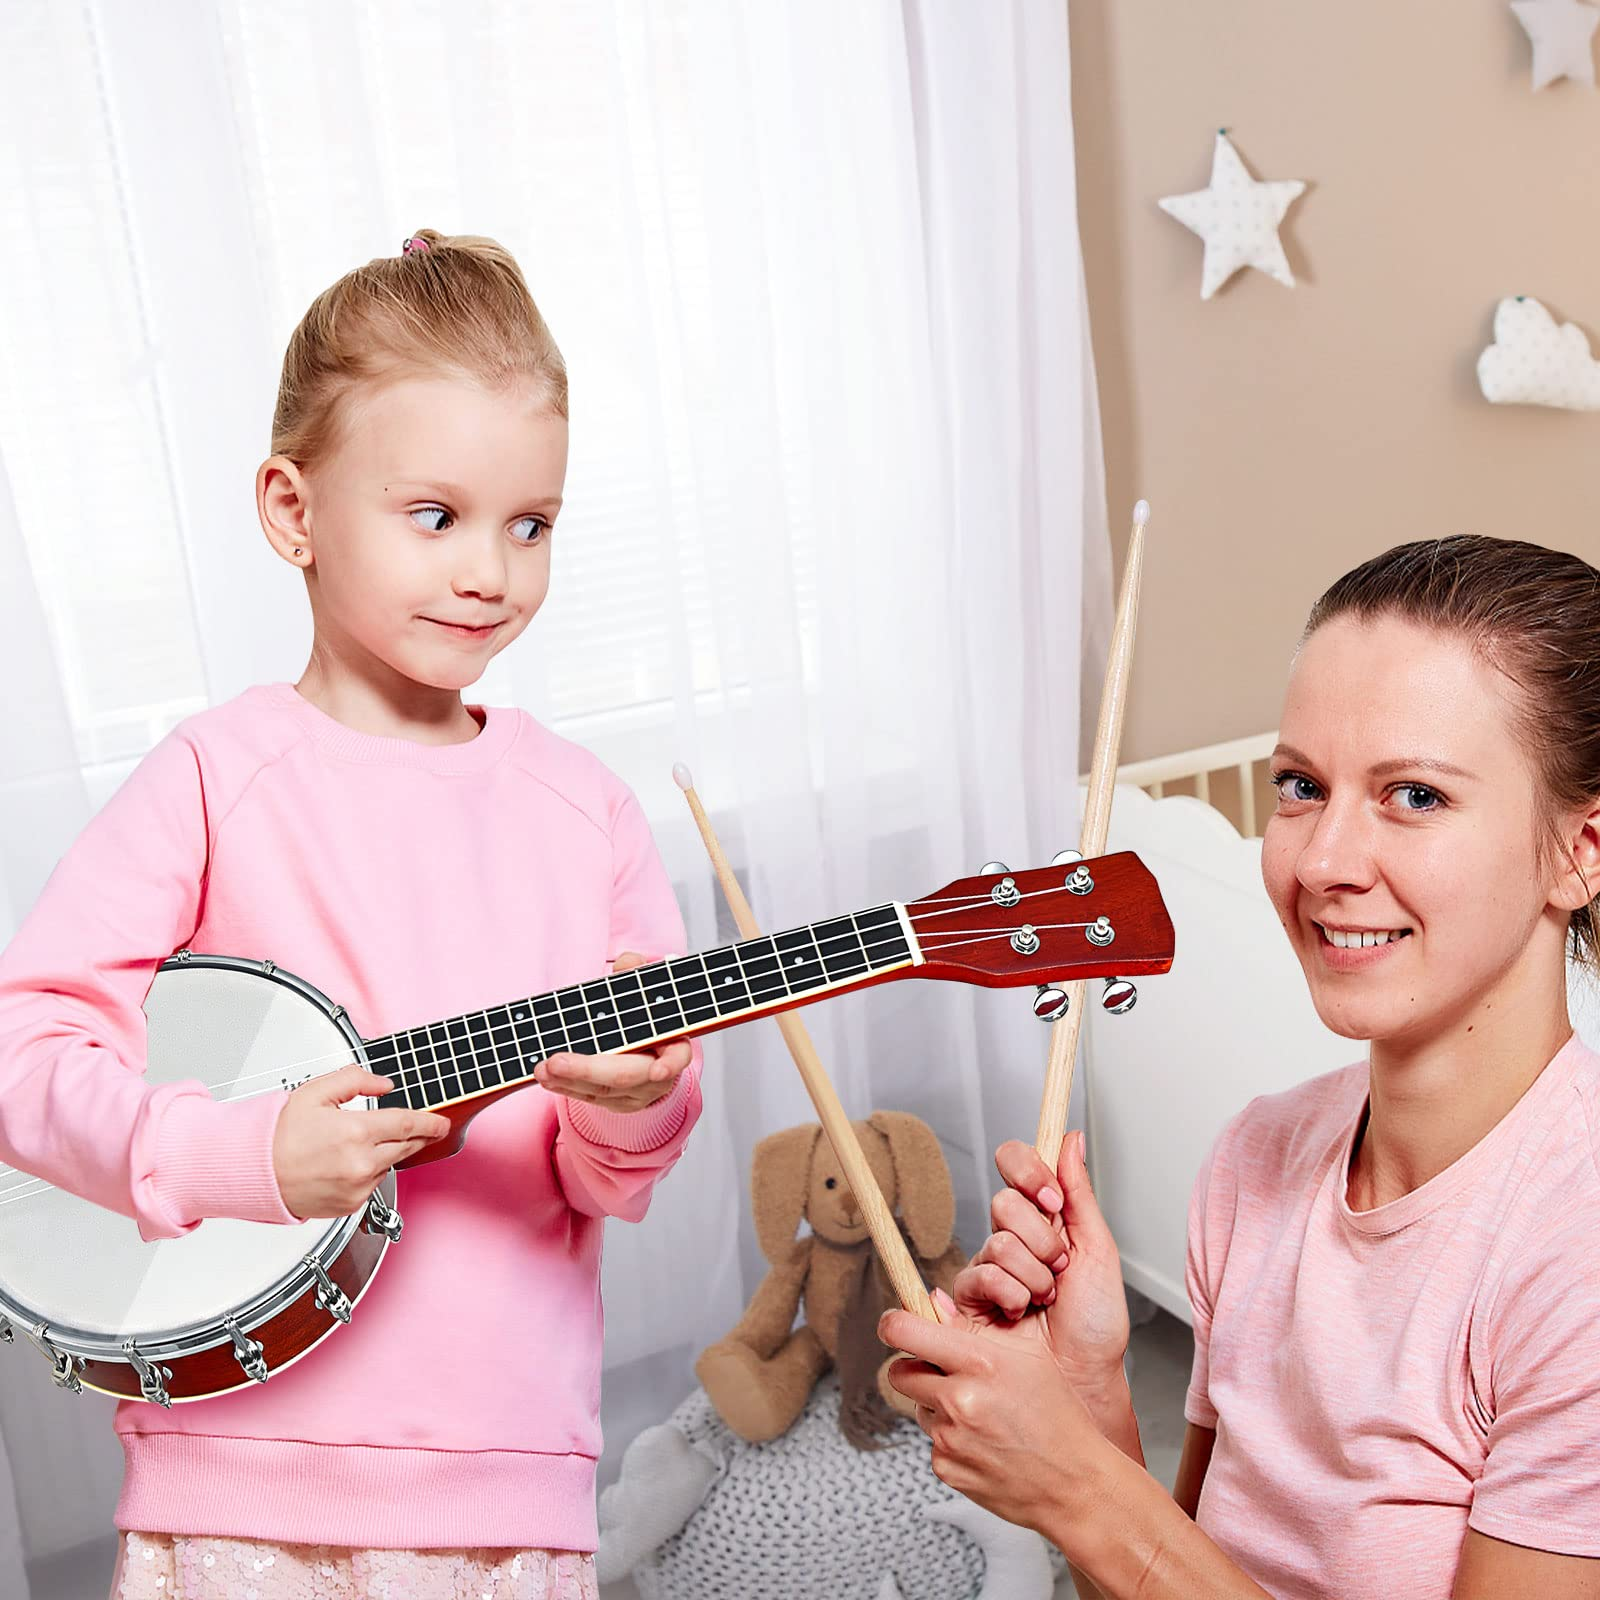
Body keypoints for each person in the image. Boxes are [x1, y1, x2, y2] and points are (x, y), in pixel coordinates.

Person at [0, 230, 702, 1600]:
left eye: (531, 523)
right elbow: (26, 1054)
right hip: (243, 1486)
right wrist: (235, 1154)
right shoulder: (215, 776)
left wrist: (633, 1108)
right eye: (435, 515)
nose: (491, 571)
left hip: (509, 1491)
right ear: (292, 509)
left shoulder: (590, 818)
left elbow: (607, 1176)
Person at [880, 535, 1600, 1598]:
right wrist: (1090, 1402)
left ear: (1579, 850)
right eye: (1301, 785)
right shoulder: (1256, 1160)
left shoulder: (1573, 1257)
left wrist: (1078, 1486)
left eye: (1413, 796)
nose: (1318, 862)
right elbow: (1172, 1573)